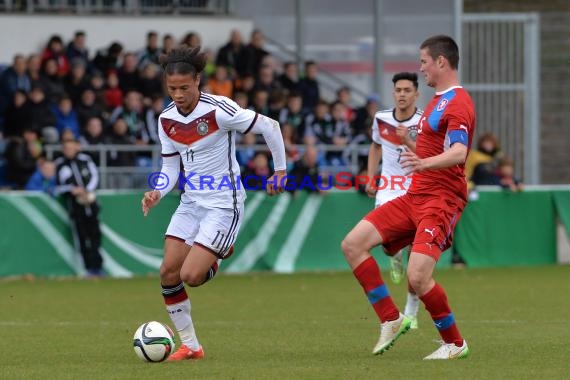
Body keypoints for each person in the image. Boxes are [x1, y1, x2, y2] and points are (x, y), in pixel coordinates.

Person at [140, 45, 287, 362]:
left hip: (224, 203)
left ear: (197, 81)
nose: (177, 95)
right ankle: (191, 346)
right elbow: (169, 168)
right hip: (191, 202)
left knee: (192, 275)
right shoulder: (165, 119)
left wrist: (279, 171)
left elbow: (270, 127)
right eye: (172, 88)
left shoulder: (220, 110)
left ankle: (216, 254)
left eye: (184, 88)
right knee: (168, 271)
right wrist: (157, 191)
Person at [341, 35, 475, 360]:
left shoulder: (458, 102)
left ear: (441, 62)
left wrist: (423, 162)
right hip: (415, 195)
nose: (421, 68)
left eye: (424, 62)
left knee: (417, 276)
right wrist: (412, 148)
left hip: (440, 201)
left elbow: (458, 153)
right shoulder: (437, 101)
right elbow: (434, 149)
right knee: (352, 244)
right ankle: (391, 318)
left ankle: (455, 344)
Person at [364, 72, 423, 329]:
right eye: (398, 90)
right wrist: (370, 177)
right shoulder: (381, 118)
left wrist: (407, 140)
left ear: (416, 94)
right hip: (388, 189)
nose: (401, 94)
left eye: (407, 90)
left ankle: (411, 312)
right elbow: (376, 146)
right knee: (387, 244)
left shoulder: (424, 122)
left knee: (418, 258)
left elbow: (429, 154)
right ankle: (394, 255)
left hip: (417, 191)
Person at [54, 138, 104, 277]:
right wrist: (72, 189)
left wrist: (87, 190)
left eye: (71, 147)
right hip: (75, 207)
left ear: (77, 147)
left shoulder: (85, 160)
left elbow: (95, 176)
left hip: (91, 204)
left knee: (95, 236)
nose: (69, 151)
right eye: (66, 148)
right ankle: (87, 268)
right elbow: (58, 186)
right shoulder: (60, 164)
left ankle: (98, 267)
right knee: (81, 237)